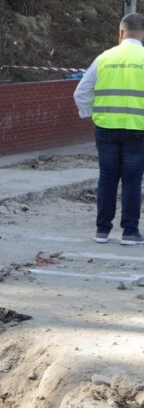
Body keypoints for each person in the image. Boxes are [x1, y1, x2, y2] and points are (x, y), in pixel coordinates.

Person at [74, 12, 144, 246]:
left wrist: (90, 114)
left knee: (107, 178)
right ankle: (130, 232)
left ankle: (102, 230)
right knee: (133, 180)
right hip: (138, 130)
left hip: (106, 128)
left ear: (120, 33)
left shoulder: (104, 57)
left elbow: (80, 92)